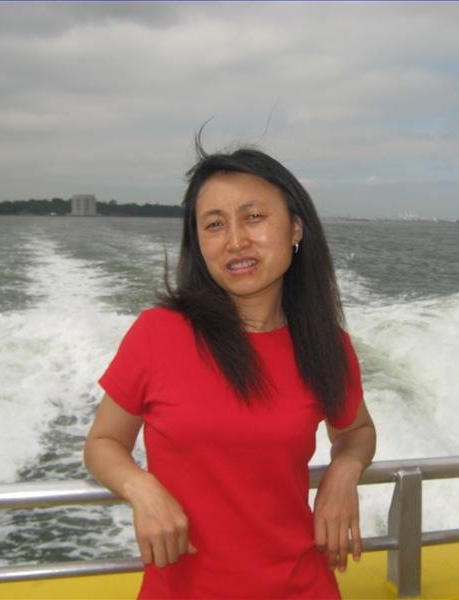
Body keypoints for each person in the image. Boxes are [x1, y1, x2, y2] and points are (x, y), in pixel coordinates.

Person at [84, 140, 377, 599]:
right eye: (214, 225)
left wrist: (344, 471)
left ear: (296, 227)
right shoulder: (158, 333)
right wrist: (141, 488)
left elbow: (356, 430)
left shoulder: (325, 344)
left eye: (253, 216)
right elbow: (102, 443)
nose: (236, 241)